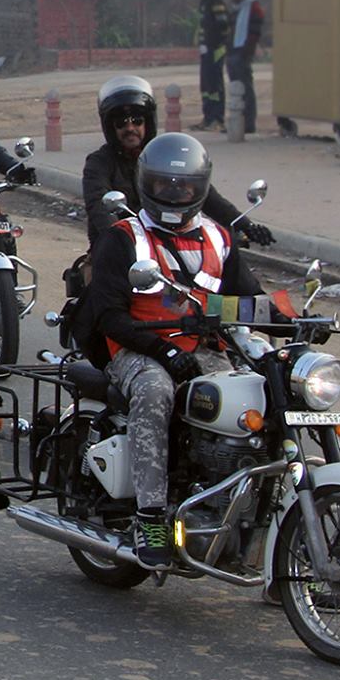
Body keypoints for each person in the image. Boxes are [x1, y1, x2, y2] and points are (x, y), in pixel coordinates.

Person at [86, 132, 265, 568]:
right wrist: (163, 352)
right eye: (164, 184)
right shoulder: (124, 237)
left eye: (183, 186)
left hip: (203, 349)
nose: (173, 193)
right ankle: (150, 515)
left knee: (256, 393)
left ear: (200, 187)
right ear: (146, 183)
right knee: (156, 391)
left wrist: (296, 318)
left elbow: (248, 299)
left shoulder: (219, 238)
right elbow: (108, 316)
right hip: (138, 350)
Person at [81, 76, 270, 250]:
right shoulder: (98, 163)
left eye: (137, 121)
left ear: (147, 123)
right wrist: (117, 239)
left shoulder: (164, 154)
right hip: (119, 252)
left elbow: (205, 196)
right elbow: (99, 208)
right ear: (111, 127)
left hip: (171, 245)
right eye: (121, 123)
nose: (130, 128)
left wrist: (246, 226)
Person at [225, 0, 267, 135]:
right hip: (233, 52)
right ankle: (238, 123)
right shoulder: (236, 9)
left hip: (242, 53)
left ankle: (249, 124)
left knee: (246, 89)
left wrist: (245, 51)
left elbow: (255, 32)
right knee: (236, 89)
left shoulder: (253, 7)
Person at [193, 0, 229, 131]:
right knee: (206, 85)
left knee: (215, 85)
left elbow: (223, 25)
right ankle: (208, 118)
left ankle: (218, 119)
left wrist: (215, 44)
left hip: (215, 49)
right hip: (206, 49)